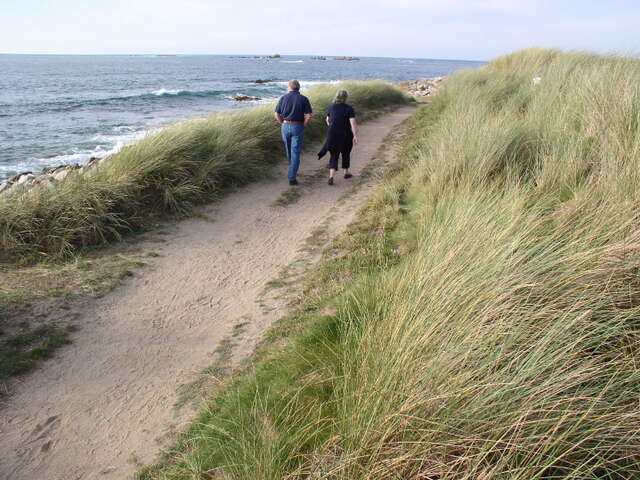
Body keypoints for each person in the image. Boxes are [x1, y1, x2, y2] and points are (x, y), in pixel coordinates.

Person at [274, 79, 313, 185]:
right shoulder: (304, 99)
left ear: (289, 87)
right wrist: (304, 125)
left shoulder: (283, 98)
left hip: (285, 125)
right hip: (298, 126)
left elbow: (276, 114)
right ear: (298, 87)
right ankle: (292, 176)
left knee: (289, 150)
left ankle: (293, 170)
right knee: (295, 152)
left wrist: (282, 122)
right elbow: (309, 115)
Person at [320, 89, 358, 185]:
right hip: (346, 134)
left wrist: (332, 127)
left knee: (334, 155)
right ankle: (346, 173)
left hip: (333, 134)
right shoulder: (349, 108)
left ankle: (331, 176)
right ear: (346, 98)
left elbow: (327, 119)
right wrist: (355, 135)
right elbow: (353, 122)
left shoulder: (331, 106)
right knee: (345, 153)